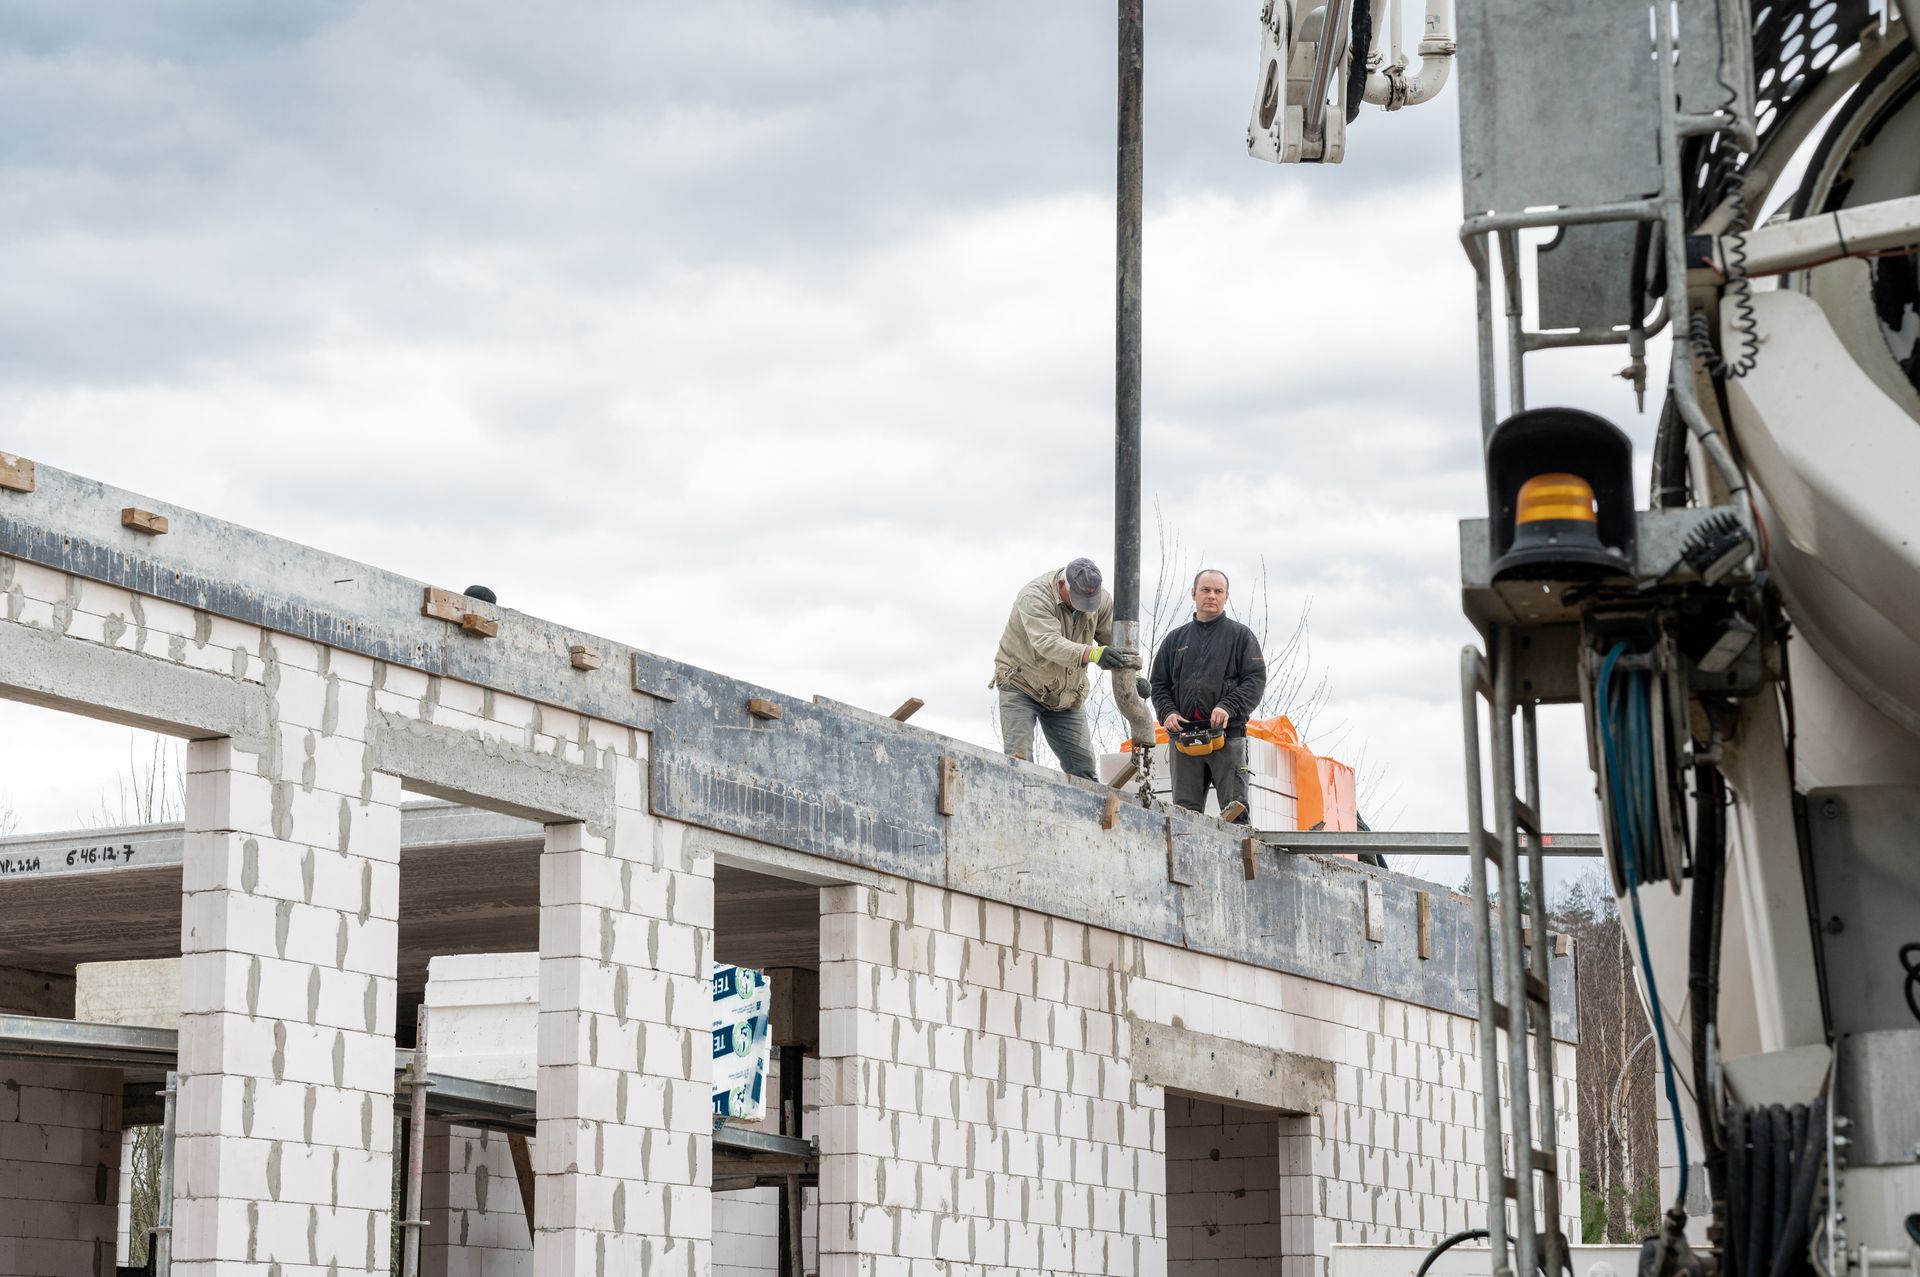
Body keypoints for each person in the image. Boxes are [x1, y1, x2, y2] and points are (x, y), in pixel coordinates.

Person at [992, 558, 1141, 780]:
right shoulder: (1034, 597)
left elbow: (1115, 644)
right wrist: (1092, 654)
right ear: (1063, 584)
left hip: (1067, 695)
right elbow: (1048, 643)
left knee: (1084, 770)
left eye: (1090, 601)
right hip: (1022, 685)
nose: (1085, 606)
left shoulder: (1102, 601)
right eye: (1079, 599)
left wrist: (1133, 678)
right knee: (1020, 764)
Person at [1150, 568, 1267, 822]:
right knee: (1183, 815)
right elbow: (1158, 684)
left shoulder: (1241, 636)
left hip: (1227, 737)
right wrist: (1167, 712)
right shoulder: (1175, 640)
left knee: (1235, 813)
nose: (1211, 596)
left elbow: (1255, 680)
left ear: (1226, 596)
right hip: (1184, 740)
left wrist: (1228, 706)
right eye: (1205, 590)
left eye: (1218, 591)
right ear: (1193, 593)